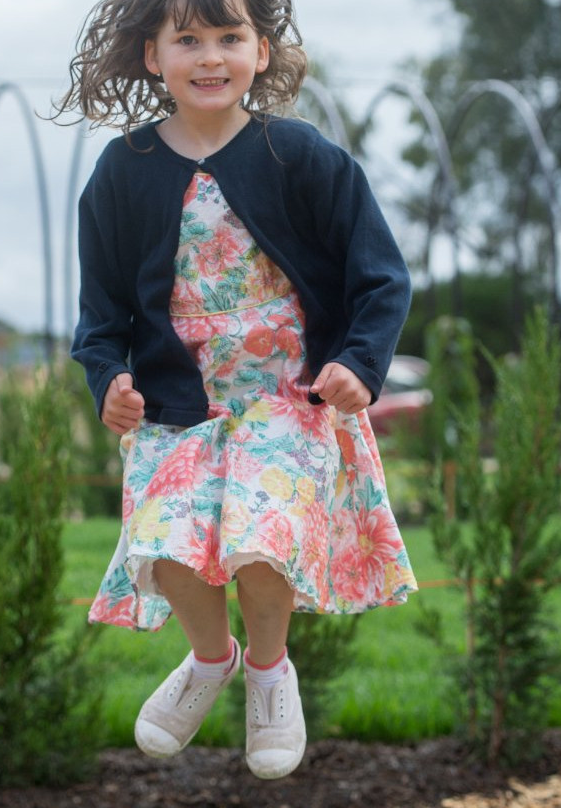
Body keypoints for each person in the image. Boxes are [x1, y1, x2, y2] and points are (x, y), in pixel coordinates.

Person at [57, 0, 418, 780]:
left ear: (261, 50)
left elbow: (381, 275)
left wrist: (360, 361)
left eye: (230, 37)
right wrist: (109, 377)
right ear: (154, 56)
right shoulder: (124, 170)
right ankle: (210, 658)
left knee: (259, 538)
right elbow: (99, 315)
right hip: (181, 410)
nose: (210, 56)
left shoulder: (299, 155)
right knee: (168, 546)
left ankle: (267, 673)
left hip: (288, 402)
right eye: (188, 39)